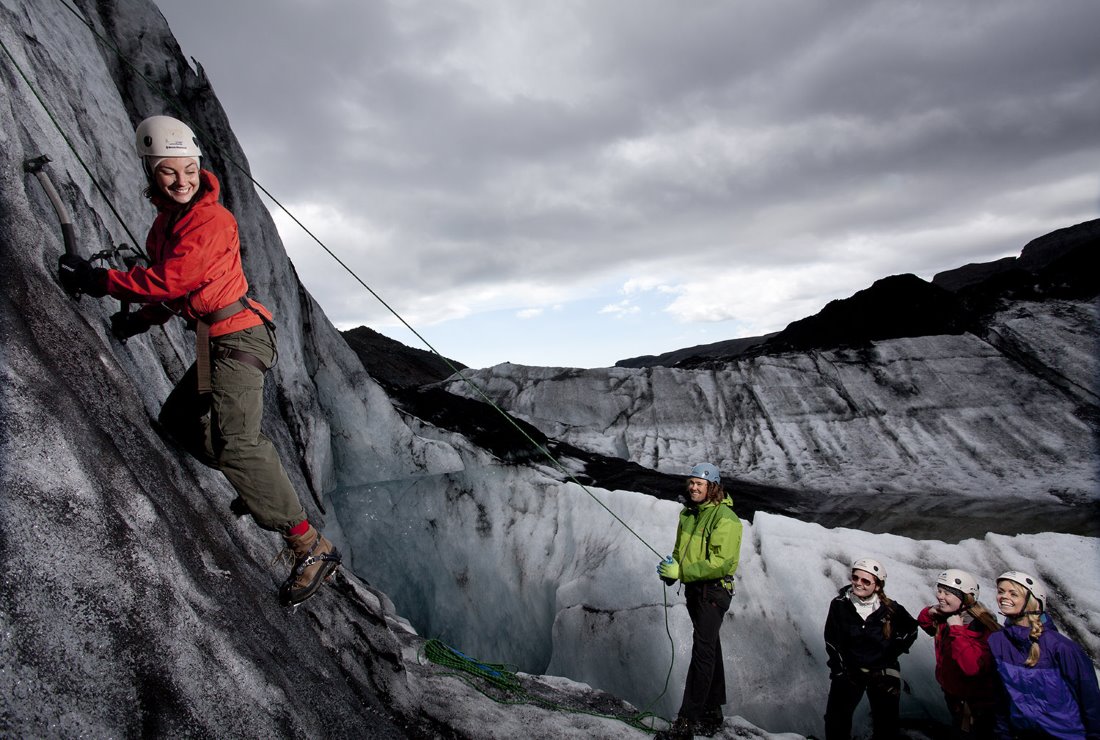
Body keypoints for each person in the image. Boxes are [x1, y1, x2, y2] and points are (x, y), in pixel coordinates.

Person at [57, 114, 340, 607]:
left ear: (198, 166)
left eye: (188, 169)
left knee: (236, 444)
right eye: (169, 171)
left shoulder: (213, 220)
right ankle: (257, 488)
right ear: (152, 172)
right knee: (180, 421)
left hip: (240, 338)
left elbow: (173, 281)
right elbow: (169, 293)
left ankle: (309, 547)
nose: (182, 179)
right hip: (217, 341)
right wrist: (138, 322)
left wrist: (97, 280)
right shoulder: (164, 227)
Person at [653, 463, 742, 740]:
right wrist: (672, 570)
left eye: (699, 484)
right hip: (696, 590)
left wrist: (683, 572)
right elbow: (681, 550)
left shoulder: (725, 517)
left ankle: (685, 725)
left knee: (702, 655)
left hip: (713, 592)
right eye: (691, 483)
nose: (693, 488)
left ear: (712, 487)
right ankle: (712, 713)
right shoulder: (689, 514)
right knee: (710, 648)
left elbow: (721, 562)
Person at [987, 570, 1100, 739]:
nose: (1003, 596)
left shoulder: (1061, 647)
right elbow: (1000, 695)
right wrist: (1003, 733)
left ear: (1033, 602)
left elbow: (1090, 699)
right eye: (1001, 591)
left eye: (1013, 593)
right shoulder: (997, 642)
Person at [823, 557, 918, 740]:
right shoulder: (840, 604)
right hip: (850, 671)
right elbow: (831, 639)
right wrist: (839, 670)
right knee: (836, 721)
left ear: (877, 585)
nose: (859, 583)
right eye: (855, 578)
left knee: (886, 725)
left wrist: (892, 651)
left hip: (882, 673)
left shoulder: (890, 608)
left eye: (866, 581)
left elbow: (911, 629)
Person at [917, 568, 1001, 738]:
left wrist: (956, 629)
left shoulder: (980, 627)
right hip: (956, 697)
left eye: (947, 593)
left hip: (976, 706)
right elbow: (924, 623)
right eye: (939, 591)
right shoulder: (949, 617)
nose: (940, 596)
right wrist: (930, 612)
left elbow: (971, 667)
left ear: (965, 598)